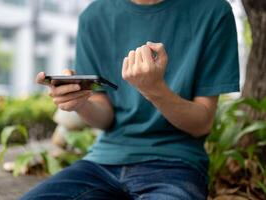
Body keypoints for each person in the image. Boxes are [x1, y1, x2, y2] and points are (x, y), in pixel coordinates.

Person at [20, 0, 240, 199]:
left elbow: (201, 124)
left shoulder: (213, 11)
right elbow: (105, 117)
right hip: (102, 162)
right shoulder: (94, 16)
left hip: (176, 164)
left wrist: (155, 90)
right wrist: (81, 103)